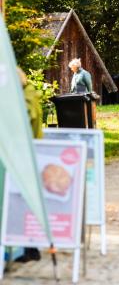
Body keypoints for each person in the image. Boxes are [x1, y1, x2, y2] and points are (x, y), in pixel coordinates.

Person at [16, 68, 42, 263]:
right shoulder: (27, 93)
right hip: (23, 155)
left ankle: (30, 247)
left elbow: (26, 119)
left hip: (27, 156)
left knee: (25, 202)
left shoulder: (27, 95)